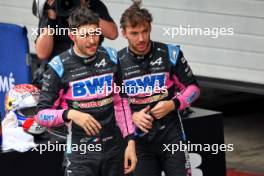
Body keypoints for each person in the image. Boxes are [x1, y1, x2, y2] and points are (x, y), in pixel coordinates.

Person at [35, 7, 136, 176]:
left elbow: (121, 102)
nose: (92, 40)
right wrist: (70, 114)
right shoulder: (58, 66)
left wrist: (130, 141)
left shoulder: (110, 57)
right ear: (72, 36)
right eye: (85, 35)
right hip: (80, 155)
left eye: (95, 33)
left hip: (114, 150)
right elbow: (41, 115)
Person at [118, 1, 200, 176]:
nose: (141, 38)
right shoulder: (115, 63)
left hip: (171, 134)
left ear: (150, 28)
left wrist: (173, 104)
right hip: (138, 140)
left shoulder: (170, 54)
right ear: (124, 33)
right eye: (134, 33)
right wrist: (133, 116)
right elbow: (114, 104)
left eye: (145, 31)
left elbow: (194, 89)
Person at [33, 0, 118, 86]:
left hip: (88, 71)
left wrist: (85, 12)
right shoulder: (56, 7)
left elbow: (112, 34)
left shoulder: (93, 5)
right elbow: (42, 54)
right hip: (57, 72)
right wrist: (50, 18)